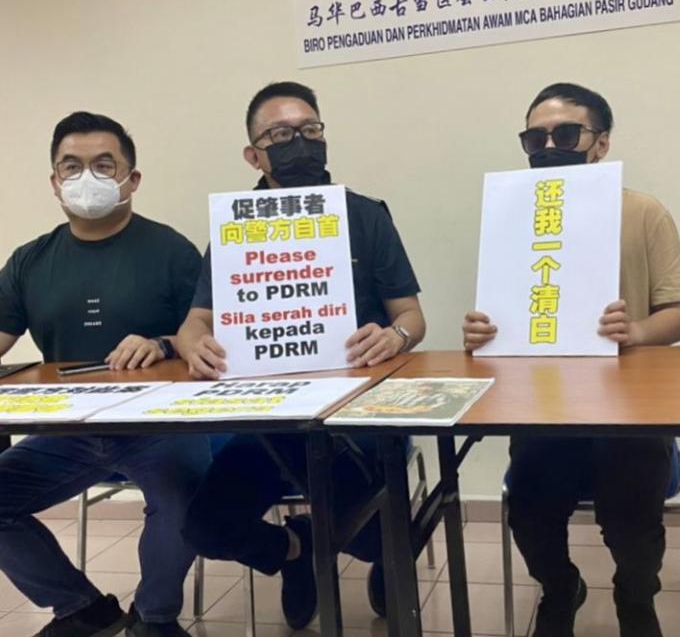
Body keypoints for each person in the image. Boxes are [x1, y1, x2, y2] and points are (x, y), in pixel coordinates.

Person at [178, 81, 426, 629]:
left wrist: (395, 337)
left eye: (311, 131)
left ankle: (382, 551)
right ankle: (296, 553)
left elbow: (411, 317)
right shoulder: (236, 228)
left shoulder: (364, 216)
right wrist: (194, 343)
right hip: (268, 416)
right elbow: (194, 322)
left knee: (374, 534)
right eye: (281, 134)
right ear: (254, 154)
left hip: (356, 411)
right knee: (206, 529)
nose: (301, 143)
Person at [462, 82, 680, 637]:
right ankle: (561, 585)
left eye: (565, 133)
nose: (549, 145)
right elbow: (503, 313)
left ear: (601, 143)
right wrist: (482, 331)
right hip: (543, 404)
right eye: (535, 136)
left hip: (629, 405)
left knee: (633, 522)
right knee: (530, 508)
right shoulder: (512, 214)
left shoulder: (642, 212)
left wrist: (637, 330)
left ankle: (636, 595)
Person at [0, 111, 208, 637]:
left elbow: (213, 340)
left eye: (103, 165)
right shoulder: (30, 261)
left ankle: (155, 618)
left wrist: (161, 343)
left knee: (185, 498)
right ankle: (81, 608)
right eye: (71, 167)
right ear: (54, 182)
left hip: (162, 427)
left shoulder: (172, 252)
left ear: (131, 179)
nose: (85, 178)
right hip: (67, 433)